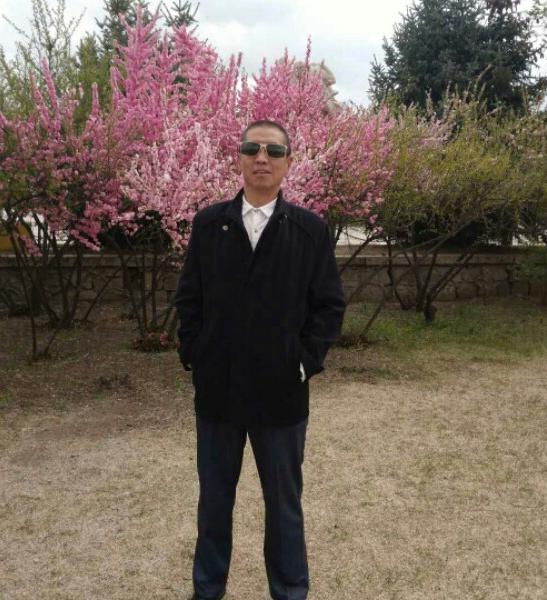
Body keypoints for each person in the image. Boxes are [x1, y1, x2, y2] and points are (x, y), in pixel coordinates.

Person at [174, 120, 346, 600]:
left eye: (273, 151)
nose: (262, 158)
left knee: (285, 508)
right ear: (240, 158)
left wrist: (302, 363)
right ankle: (207, 590)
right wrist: (197, 355)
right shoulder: (209, 225)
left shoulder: (309, 230)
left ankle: (289, 591)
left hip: (281, 395)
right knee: (214, 505)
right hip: (219, 394)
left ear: (289, 162)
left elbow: (329, 307)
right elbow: (189, 300)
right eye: (252, 148)